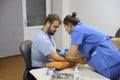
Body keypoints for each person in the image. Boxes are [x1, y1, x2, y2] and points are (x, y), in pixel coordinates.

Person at [63, 12, 120, 80]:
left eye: (65, 27)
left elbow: (72, 54)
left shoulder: (76, 30)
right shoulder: (83, 27)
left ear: (69, 25)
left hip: (106, 57)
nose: (65, 29)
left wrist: (65, 53)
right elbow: (81, 53)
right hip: (110, 54)